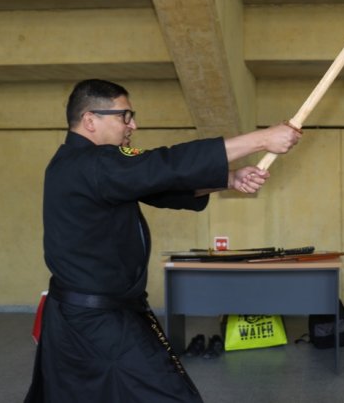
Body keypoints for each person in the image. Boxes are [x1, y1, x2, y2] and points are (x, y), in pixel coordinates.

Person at [25, 79, 302, 403]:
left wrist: (228, 179)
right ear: (90, 120)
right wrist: (261, 139)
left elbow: (156, 185)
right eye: (124, 116)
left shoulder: (84, 166)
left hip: (90, 315)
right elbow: (163, 165)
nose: (133, 125)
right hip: (97, 321)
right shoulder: (92, 163)